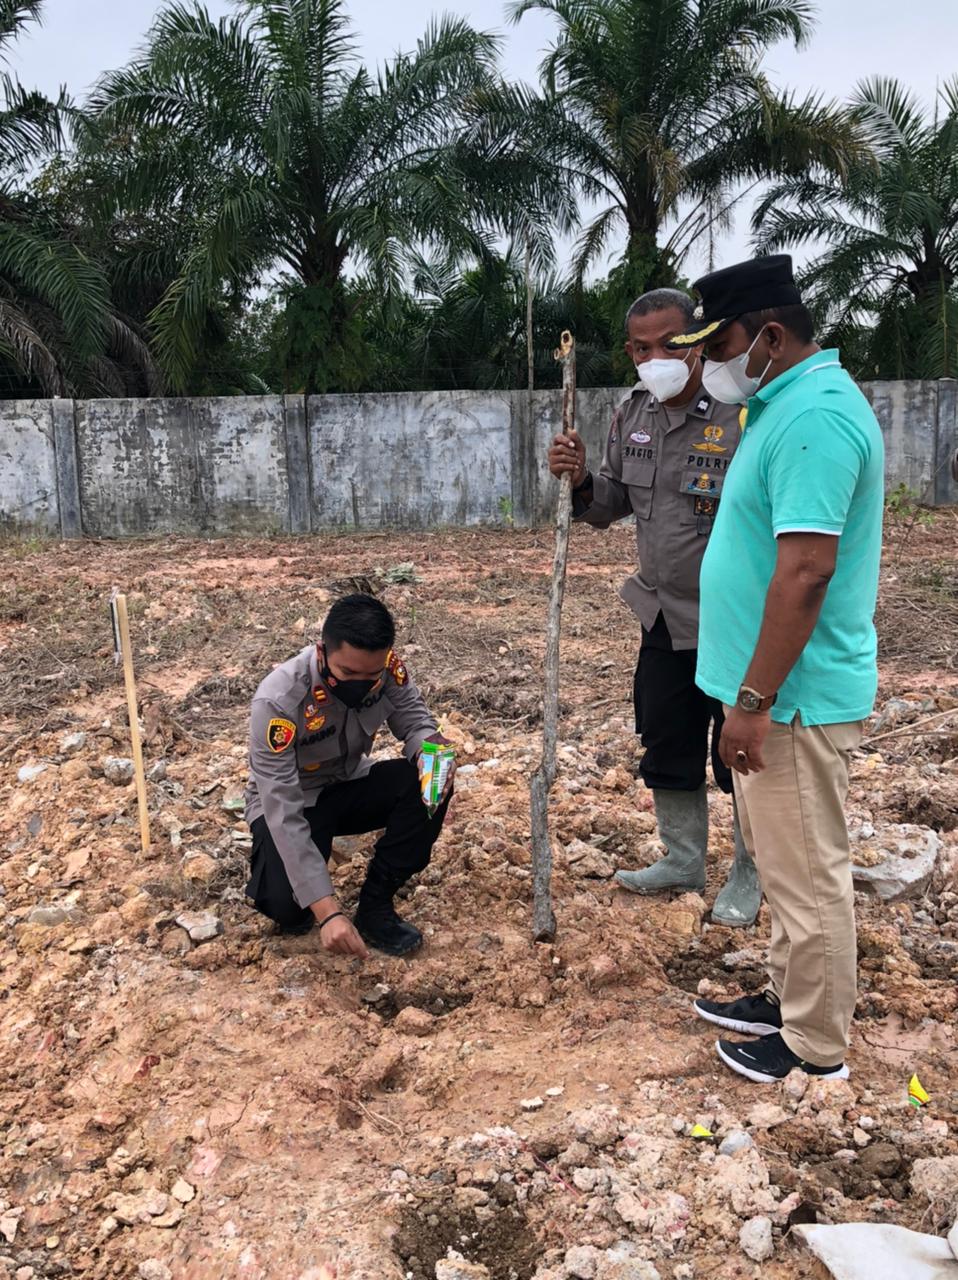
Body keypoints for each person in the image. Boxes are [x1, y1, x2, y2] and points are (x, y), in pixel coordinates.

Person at [666, 254, 884, 1083]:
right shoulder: (780, 404)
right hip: (764, 694)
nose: (703, 364)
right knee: (784, 861)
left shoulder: (815, 419)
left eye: (713, 344)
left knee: (807, 871)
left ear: (767, 335)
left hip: (790, 699)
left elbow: (805, 572)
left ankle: (815, 1047)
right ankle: (790, 997)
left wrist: (755, 699)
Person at [547, 288, 761, 927]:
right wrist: (582, 478)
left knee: (741, 753)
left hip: (732, 619)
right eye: (642, 348)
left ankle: (751, 869)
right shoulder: (630, 413)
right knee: (667, 740)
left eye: (671, 343)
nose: (656, 357)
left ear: (698, 341)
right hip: (662, 616)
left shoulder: (741, 414)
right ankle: (683, 858)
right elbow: (610, 505)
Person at [244, 593, 454, 958]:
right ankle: (303, 884)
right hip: (295, 800)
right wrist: (328, 914)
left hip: (348, 784)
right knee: (289, 910)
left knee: (426, 783)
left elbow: (416, 722)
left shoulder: (388, 670)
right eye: (347, 673)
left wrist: (431, 752)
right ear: (322, 651)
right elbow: (282, 808)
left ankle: (376, 907)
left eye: (370, 675)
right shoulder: (278, 701)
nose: (361, 683)